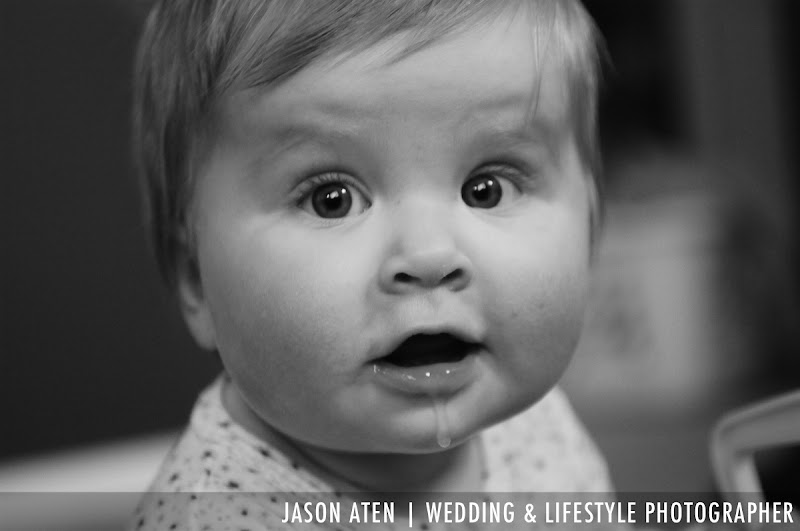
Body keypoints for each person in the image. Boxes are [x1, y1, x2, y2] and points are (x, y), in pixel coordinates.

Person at [129, 0, 611, 529]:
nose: (428, 255)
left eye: (487, 189)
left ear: (591, 224)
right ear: (194, 275)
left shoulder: (536, 424)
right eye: (331, 200)